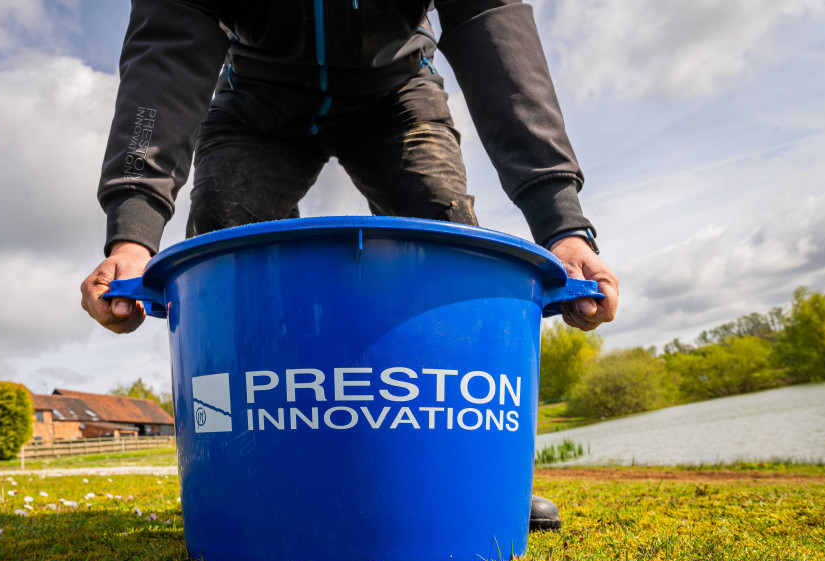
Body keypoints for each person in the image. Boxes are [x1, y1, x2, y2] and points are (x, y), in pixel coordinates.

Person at [81, 0, 619, 531]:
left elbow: (493, 28)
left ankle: (462, 483)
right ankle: (238, 481)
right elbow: (168, 43)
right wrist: (133, 232)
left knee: (444, 235)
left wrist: (562, 225)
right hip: (257, 103)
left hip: (396, 93)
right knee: (222, 249)